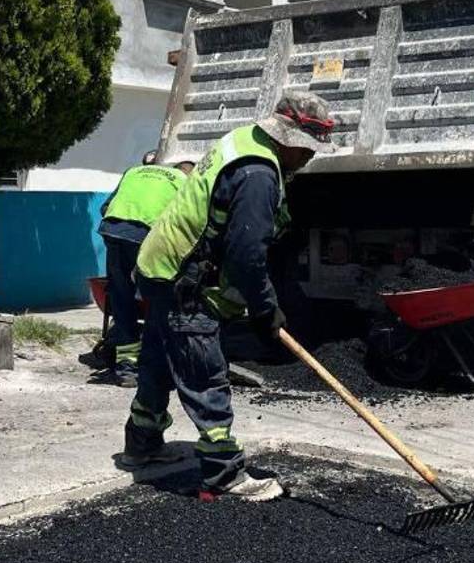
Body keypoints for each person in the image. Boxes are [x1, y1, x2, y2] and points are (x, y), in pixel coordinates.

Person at [121, 92, 336, 501]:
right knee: (205, 371)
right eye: (308, 150)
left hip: (158, 266)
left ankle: (141, 445)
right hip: (184, 279)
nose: (310, 159)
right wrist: (266, 309)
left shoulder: (245, 140)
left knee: (158, 361)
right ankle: (222, 473)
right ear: (290, 140)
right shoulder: (258, 175)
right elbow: (245, 254)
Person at [96, 159, 195, 386]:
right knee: (157, 299)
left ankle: (127, 369)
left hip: (113, 231)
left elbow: (106, 207)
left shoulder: (134, 171)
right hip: (146, 237)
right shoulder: (183, 181)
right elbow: (187, 219)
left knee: (122, 301)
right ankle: (156, 363)